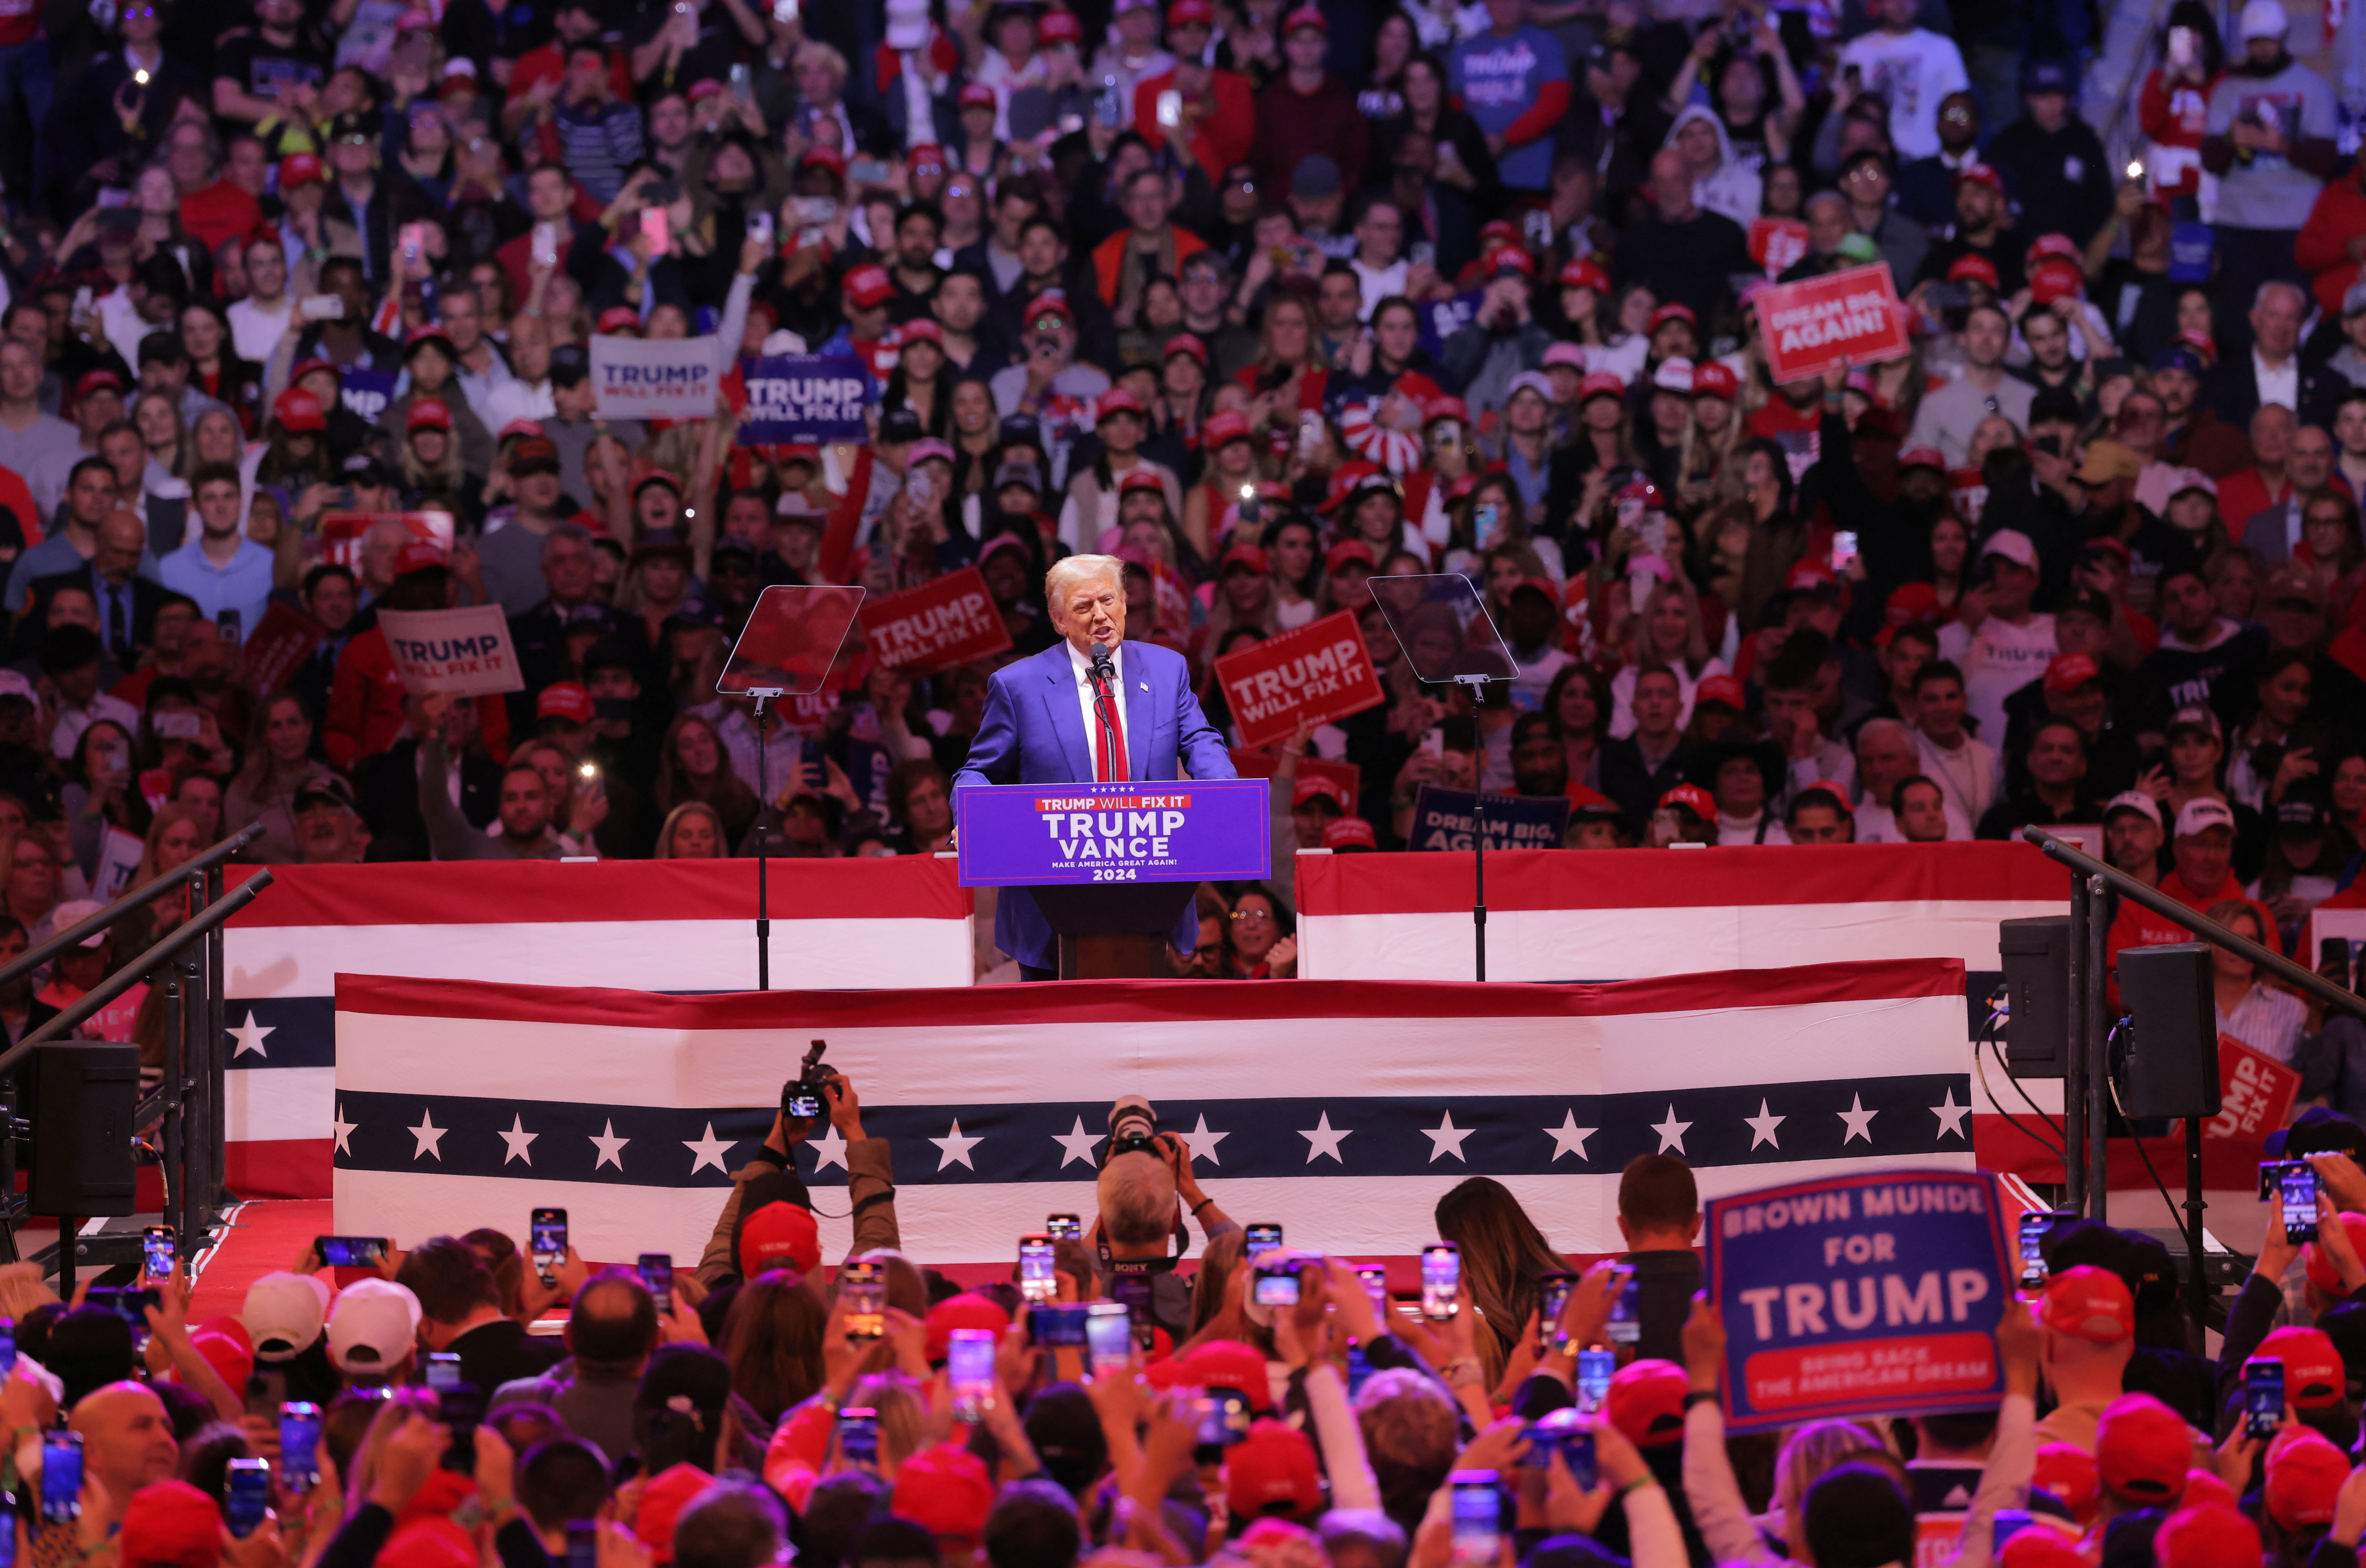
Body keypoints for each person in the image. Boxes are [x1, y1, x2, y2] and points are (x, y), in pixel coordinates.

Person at [952, 555, 1234, 981]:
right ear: (1059, 619)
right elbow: (979, 771)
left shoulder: (1166, 669)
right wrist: (971, 815)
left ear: (1124, 603)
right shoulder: (1018, 686)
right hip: (1051, 902)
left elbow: (1199, 741)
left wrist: (1226, 795)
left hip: (1152, 886)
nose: (1101, 615)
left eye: (1109, 600)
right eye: (1084, 607)